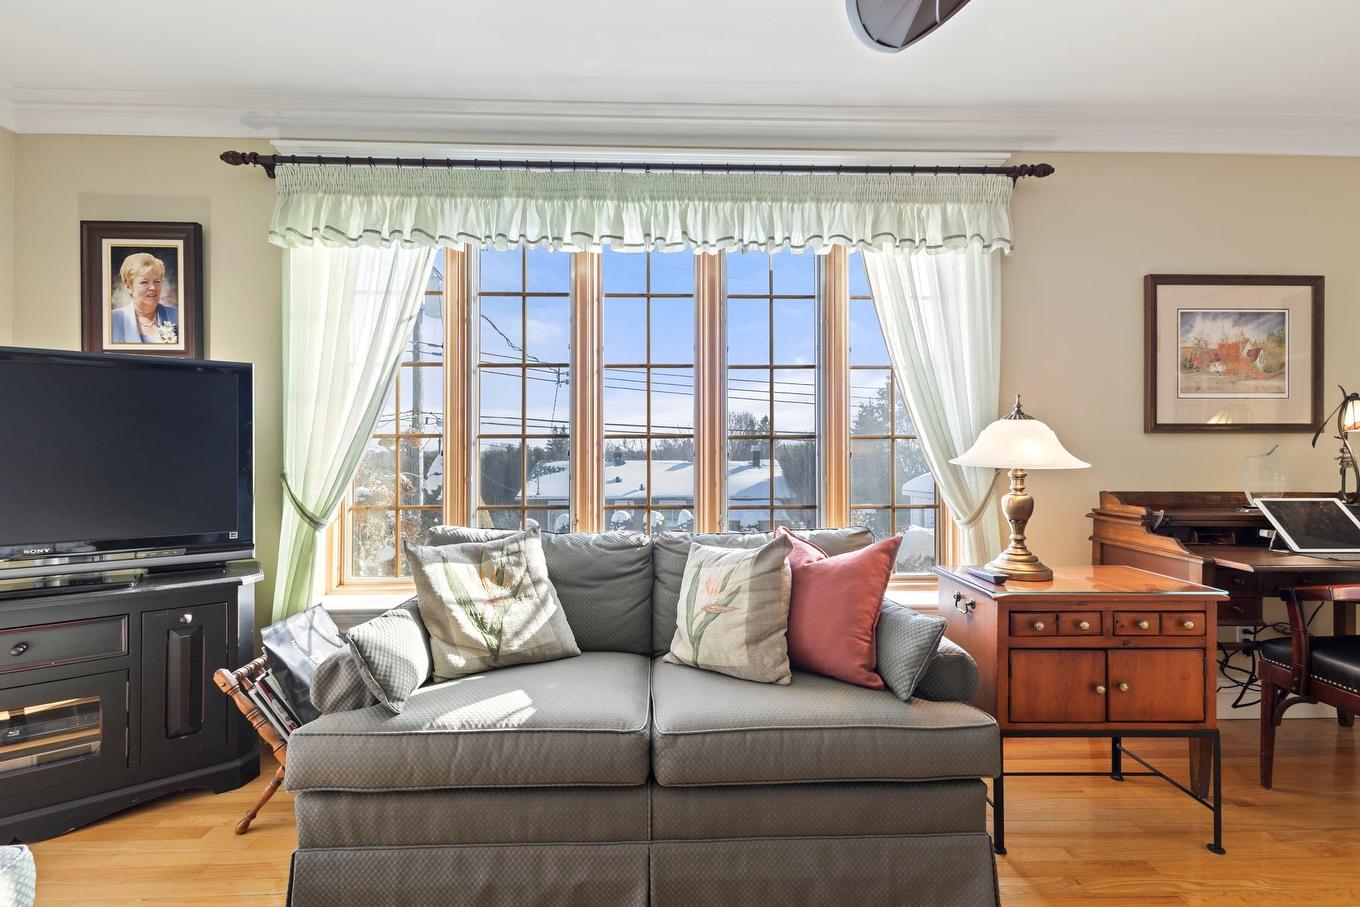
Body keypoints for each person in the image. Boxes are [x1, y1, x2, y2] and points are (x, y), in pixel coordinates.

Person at [110, 252, 178, 344]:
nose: (153, 287)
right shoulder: (112, 320)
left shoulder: (177, 316)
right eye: (144, 282)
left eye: (157, 282)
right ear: (129, 287)